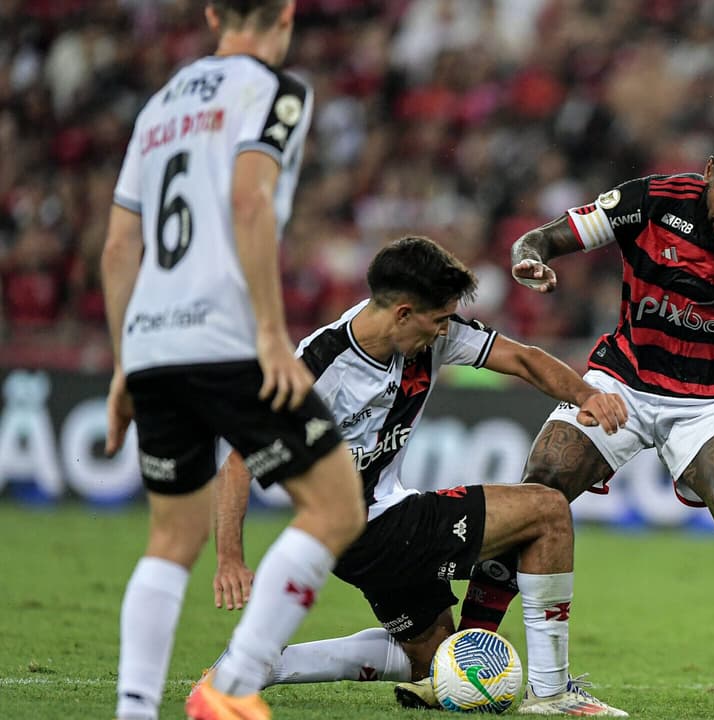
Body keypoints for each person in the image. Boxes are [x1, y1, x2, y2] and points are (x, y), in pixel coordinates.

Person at [458, 125, 714, 719]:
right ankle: (468, 650)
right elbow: (545, 237)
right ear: (710, 170)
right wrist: (528, 258)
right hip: (624, 380)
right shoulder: (651, 200)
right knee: (541, 485)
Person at [209, 236, 631, 716]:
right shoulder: (320, 366)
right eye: (438, 319)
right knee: (547, 510)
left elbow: (522, 358)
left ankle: (258, 664)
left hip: (374, 528)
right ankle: (552, 692)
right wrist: (229, 559)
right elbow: (240, 460)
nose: (444, 330)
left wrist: (586, 395)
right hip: (367, 526)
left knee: (431, 662)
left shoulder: (433, 333)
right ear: (403, 313)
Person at [101, 2, 366, 719]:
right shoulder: (276, 90)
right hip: (225, 335)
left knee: (170, 538)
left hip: (153, 338)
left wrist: (126, 365)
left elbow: (119, 247)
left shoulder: (159, 105)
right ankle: (235, 684)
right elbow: (249, 201)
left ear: (215, 11)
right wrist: (272, 334)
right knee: (337, 506)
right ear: (285, 13)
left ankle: (134, 710)